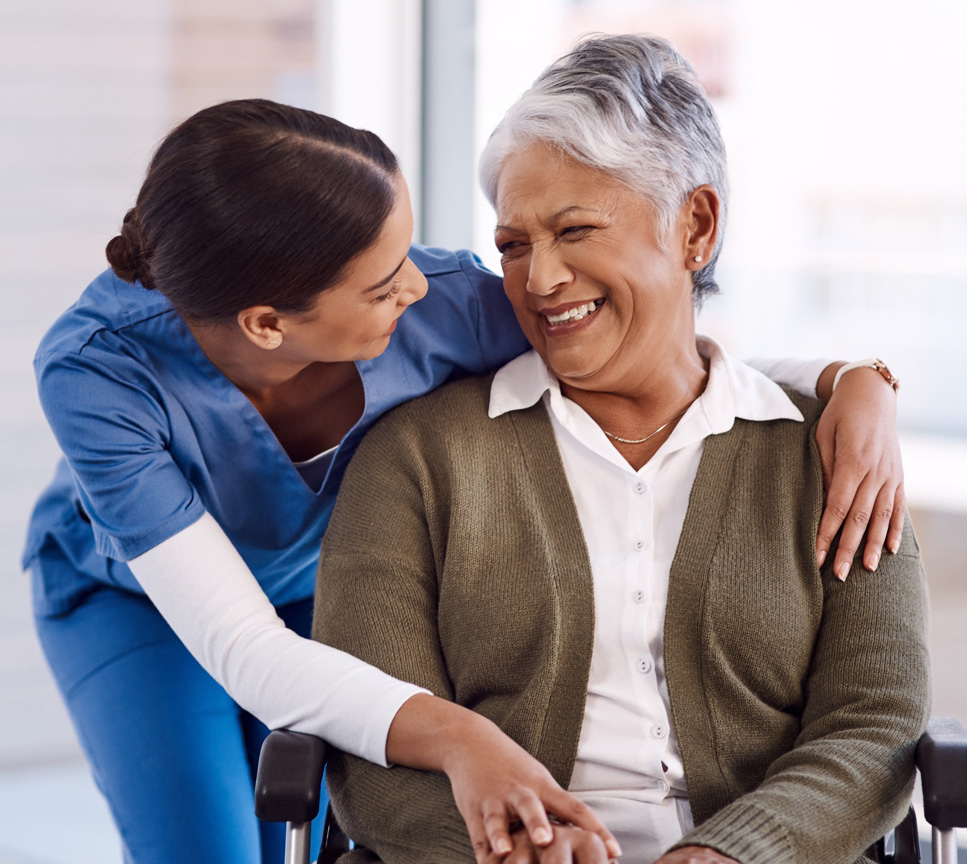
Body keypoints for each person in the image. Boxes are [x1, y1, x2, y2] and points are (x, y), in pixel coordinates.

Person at [24, 98, 901, 864]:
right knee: (209, 849)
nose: (418, 282)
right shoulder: (97, 372)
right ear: (266, 323)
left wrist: (846, 380)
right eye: (380, 281)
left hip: (323, 588)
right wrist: (464, 739)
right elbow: (247, 651)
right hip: (138, 604)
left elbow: (660, 355)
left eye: (406, 251)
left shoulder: (442, 303)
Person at [312, 35, 930, 864]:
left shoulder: (832, 455)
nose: (538, 280)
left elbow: (872, 723)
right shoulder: (418, 460)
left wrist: (729, 854)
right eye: (514, 245)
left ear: (695, 227)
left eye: (574, 230)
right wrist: (509, 852)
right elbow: (373, 729)